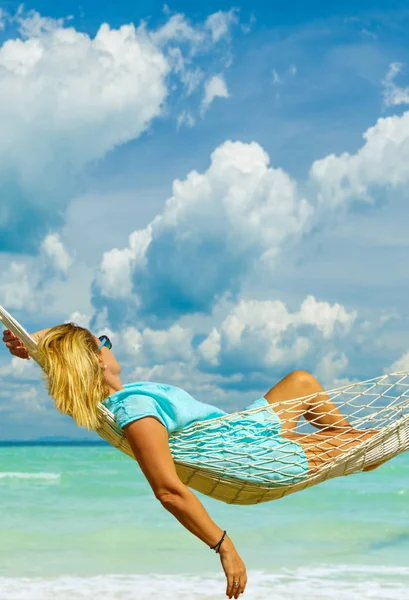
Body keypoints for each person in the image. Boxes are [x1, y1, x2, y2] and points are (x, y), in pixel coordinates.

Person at [2, 324, 377, 599]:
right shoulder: (133, 409)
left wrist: (32, 343)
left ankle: (357, 452)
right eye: (104, 342)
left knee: (302, 382)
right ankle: (361, 451)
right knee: (366, 442)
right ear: (98, 361)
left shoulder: (127, 397)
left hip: (242, 429)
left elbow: (67, 348)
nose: (109, 344)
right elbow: (167, 491)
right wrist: (224, 546)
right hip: (252, 458)